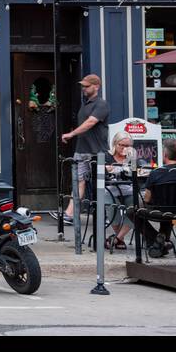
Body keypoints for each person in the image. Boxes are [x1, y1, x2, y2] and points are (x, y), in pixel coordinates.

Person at [60, 74, 110, 224]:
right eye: (83, 86)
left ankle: (104, 216)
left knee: (100, 185)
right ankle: (69, 214)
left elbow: (90, 123)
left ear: (96, 87)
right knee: (78, 181)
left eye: (87, 86)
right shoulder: (85, 103)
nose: (83, 88)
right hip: (81, 149)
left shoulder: (101, 104)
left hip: (96, 152)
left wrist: (71, 134)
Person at [135, 138, 176, 258]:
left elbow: (147, 199)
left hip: (160, 211)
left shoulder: (156, 173)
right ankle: (160, 241)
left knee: (132, 210)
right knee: (169, 210)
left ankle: (156, 240)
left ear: (165, 155)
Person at [104, 132, 137, 248]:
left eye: (128, 145)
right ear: (115, 144)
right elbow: (99, 175)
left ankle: (117, 238)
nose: (124, 148)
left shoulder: (132, 156)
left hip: (128, 190)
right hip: (110, 189)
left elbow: (134, 175)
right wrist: (106, 170)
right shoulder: (106, 156)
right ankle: (120, 239)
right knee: (112, 208)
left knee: (135, 208)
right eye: (121, 145)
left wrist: (131, 160)